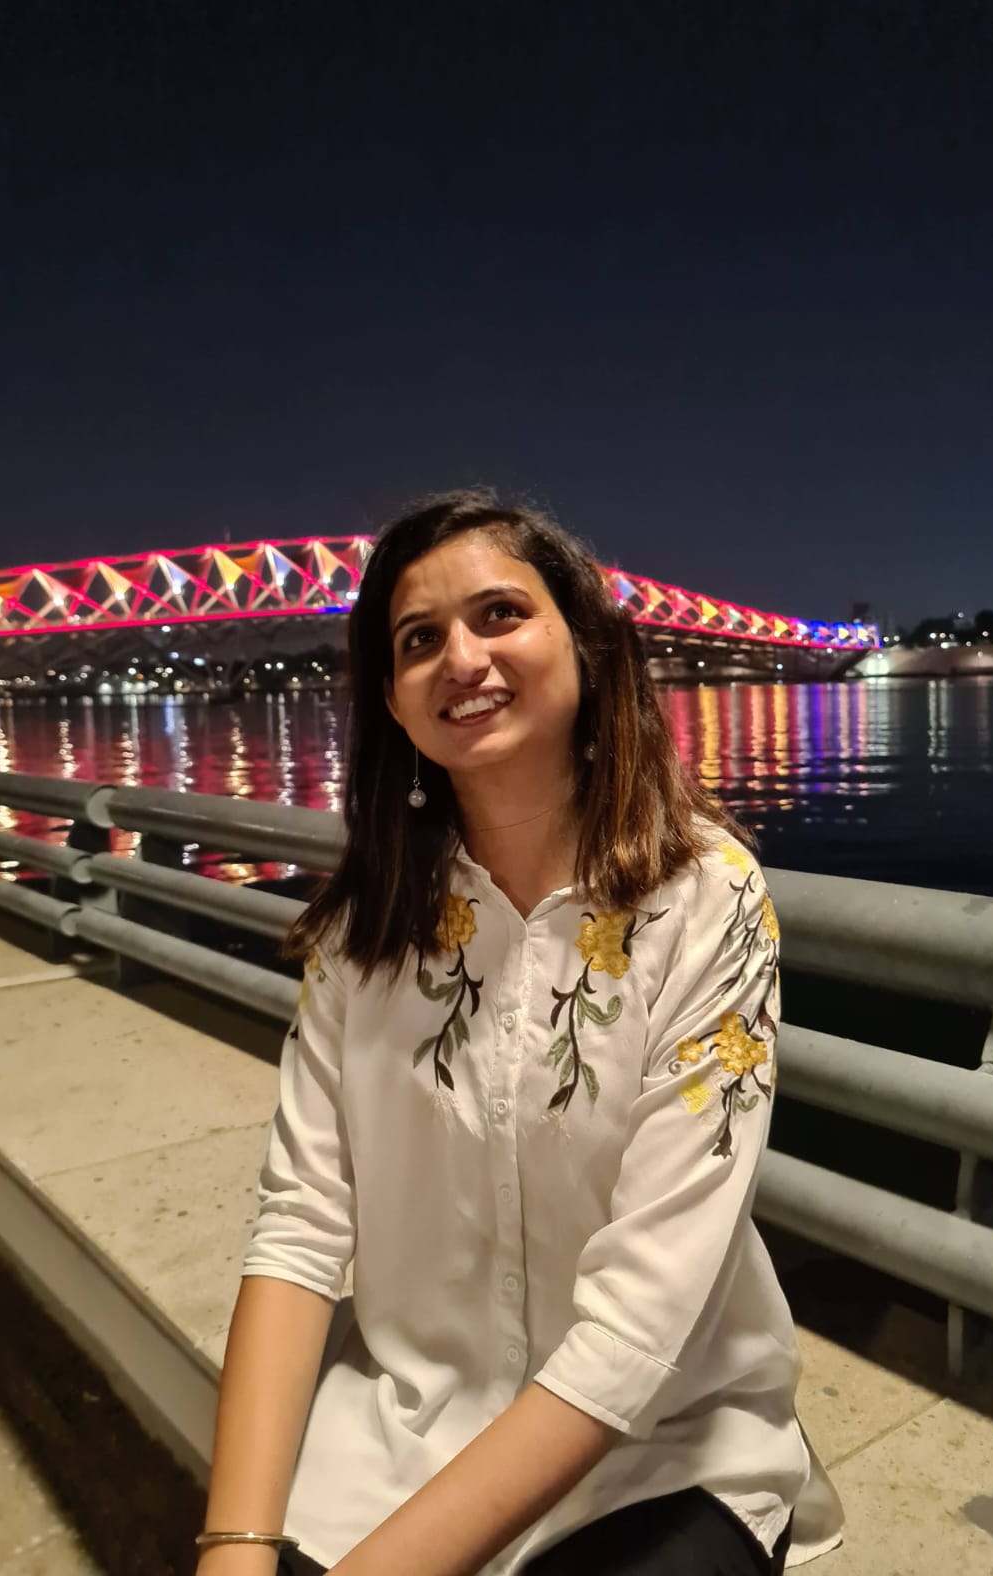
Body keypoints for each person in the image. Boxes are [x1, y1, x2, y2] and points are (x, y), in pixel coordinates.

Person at [196, 488, 842, 1576]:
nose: (461, 656)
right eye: (418, 638)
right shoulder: (367, 928)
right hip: (398, 1433)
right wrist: (234, 1547)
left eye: (501, 615)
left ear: (586, 646)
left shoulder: (706, 899)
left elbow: (642, 1323)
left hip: (659, 1447)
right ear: (392, 702)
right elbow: (301, 1226)